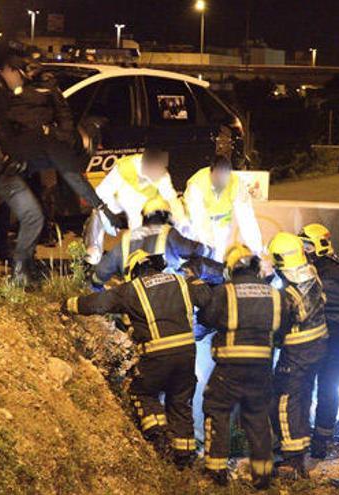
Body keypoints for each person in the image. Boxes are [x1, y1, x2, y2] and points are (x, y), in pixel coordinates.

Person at [0, 47, 121, 284]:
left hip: (9, 168)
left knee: (32, 215)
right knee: (33, 216)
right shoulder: (57, 143)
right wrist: (103, 208)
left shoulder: (46, 126)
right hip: (5, 170)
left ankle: (23, 268)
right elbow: (75, 179)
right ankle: (20, 273)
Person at [62, 250, 200, 469]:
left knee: (142, 392)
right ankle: (184, 460)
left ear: (134, 270)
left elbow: (97, 303)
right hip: (187, 354)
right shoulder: (181, 282)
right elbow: (208, 300)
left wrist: (67, 304)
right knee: (180, 401)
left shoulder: (131, 289)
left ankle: (158, 437)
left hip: (157, 355)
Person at [189, 244, 300, 489]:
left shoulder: (225, 292)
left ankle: (216, 470)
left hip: (229, 366)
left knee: (216, 409)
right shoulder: (274, 294)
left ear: (231, 268)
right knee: (257, 416)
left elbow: (207, 318)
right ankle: (263, 475)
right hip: (261, 368)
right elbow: (284, 326)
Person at [266, 231, 328, 478]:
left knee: (284, 400)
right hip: (319, 346)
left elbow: (278, 327)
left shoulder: (287, 294)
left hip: (297, 352)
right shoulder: (312, 274)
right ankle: (301, 451)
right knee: (302, 397)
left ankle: (292, 462)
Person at [299, 223, 339, 459]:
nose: (304, 250)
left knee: (323, 389)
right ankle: (316, 438)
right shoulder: (333, 271)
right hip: (326, 343)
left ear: (319, 245)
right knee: (324, 389)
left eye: (308, 245)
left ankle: (319, 438)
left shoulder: (329, 274)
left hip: (326, 342)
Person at [85, 148, 188, 264]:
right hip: (118, 199)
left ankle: (150, 256)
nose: (157, 175)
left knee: (153, 221)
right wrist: (108, 216)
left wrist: (183, 224)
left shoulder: (162, 175)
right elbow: (101, 193)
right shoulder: (125, 167)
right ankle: (93, 251)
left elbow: (172, 200)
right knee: (97, 212)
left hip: (142, 206)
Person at [91, 197, 211, 289]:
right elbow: (191, 250)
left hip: (136, 299)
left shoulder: (127, 238)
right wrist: (208, 250)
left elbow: (102, 271)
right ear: (166, 216)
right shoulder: (168, 232)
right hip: (169, 295)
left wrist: (96, 283)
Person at [183, 155, 262, 262]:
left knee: (218, 260)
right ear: (211, 173)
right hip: (193, 226)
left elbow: (247, 219)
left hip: (221, 225)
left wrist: (257, 251)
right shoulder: (197, 184)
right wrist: (210, 248)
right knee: (196, 257)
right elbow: (199, 221)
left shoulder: (236, 183)